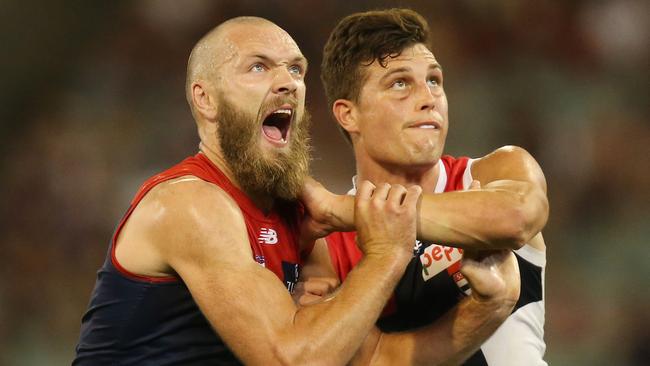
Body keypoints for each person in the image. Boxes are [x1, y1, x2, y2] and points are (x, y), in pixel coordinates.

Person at [73, 16, 519, 365]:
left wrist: (487, 311)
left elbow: (374, 358)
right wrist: (386, 253)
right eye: (258, 67)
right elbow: (294, 359)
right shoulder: (189, 204)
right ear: (206, 99)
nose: (288, 81)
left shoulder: (294, 215)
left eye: (295, 68)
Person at [299, 8, 550, 365]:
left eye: (434, 80)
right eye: (400, 83)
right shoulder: (327, 245)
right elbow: (370, 361)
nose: (428, 97)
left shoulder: (498, 169)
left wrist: (348, 210)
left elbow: (516, 217)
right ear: (347, 114)